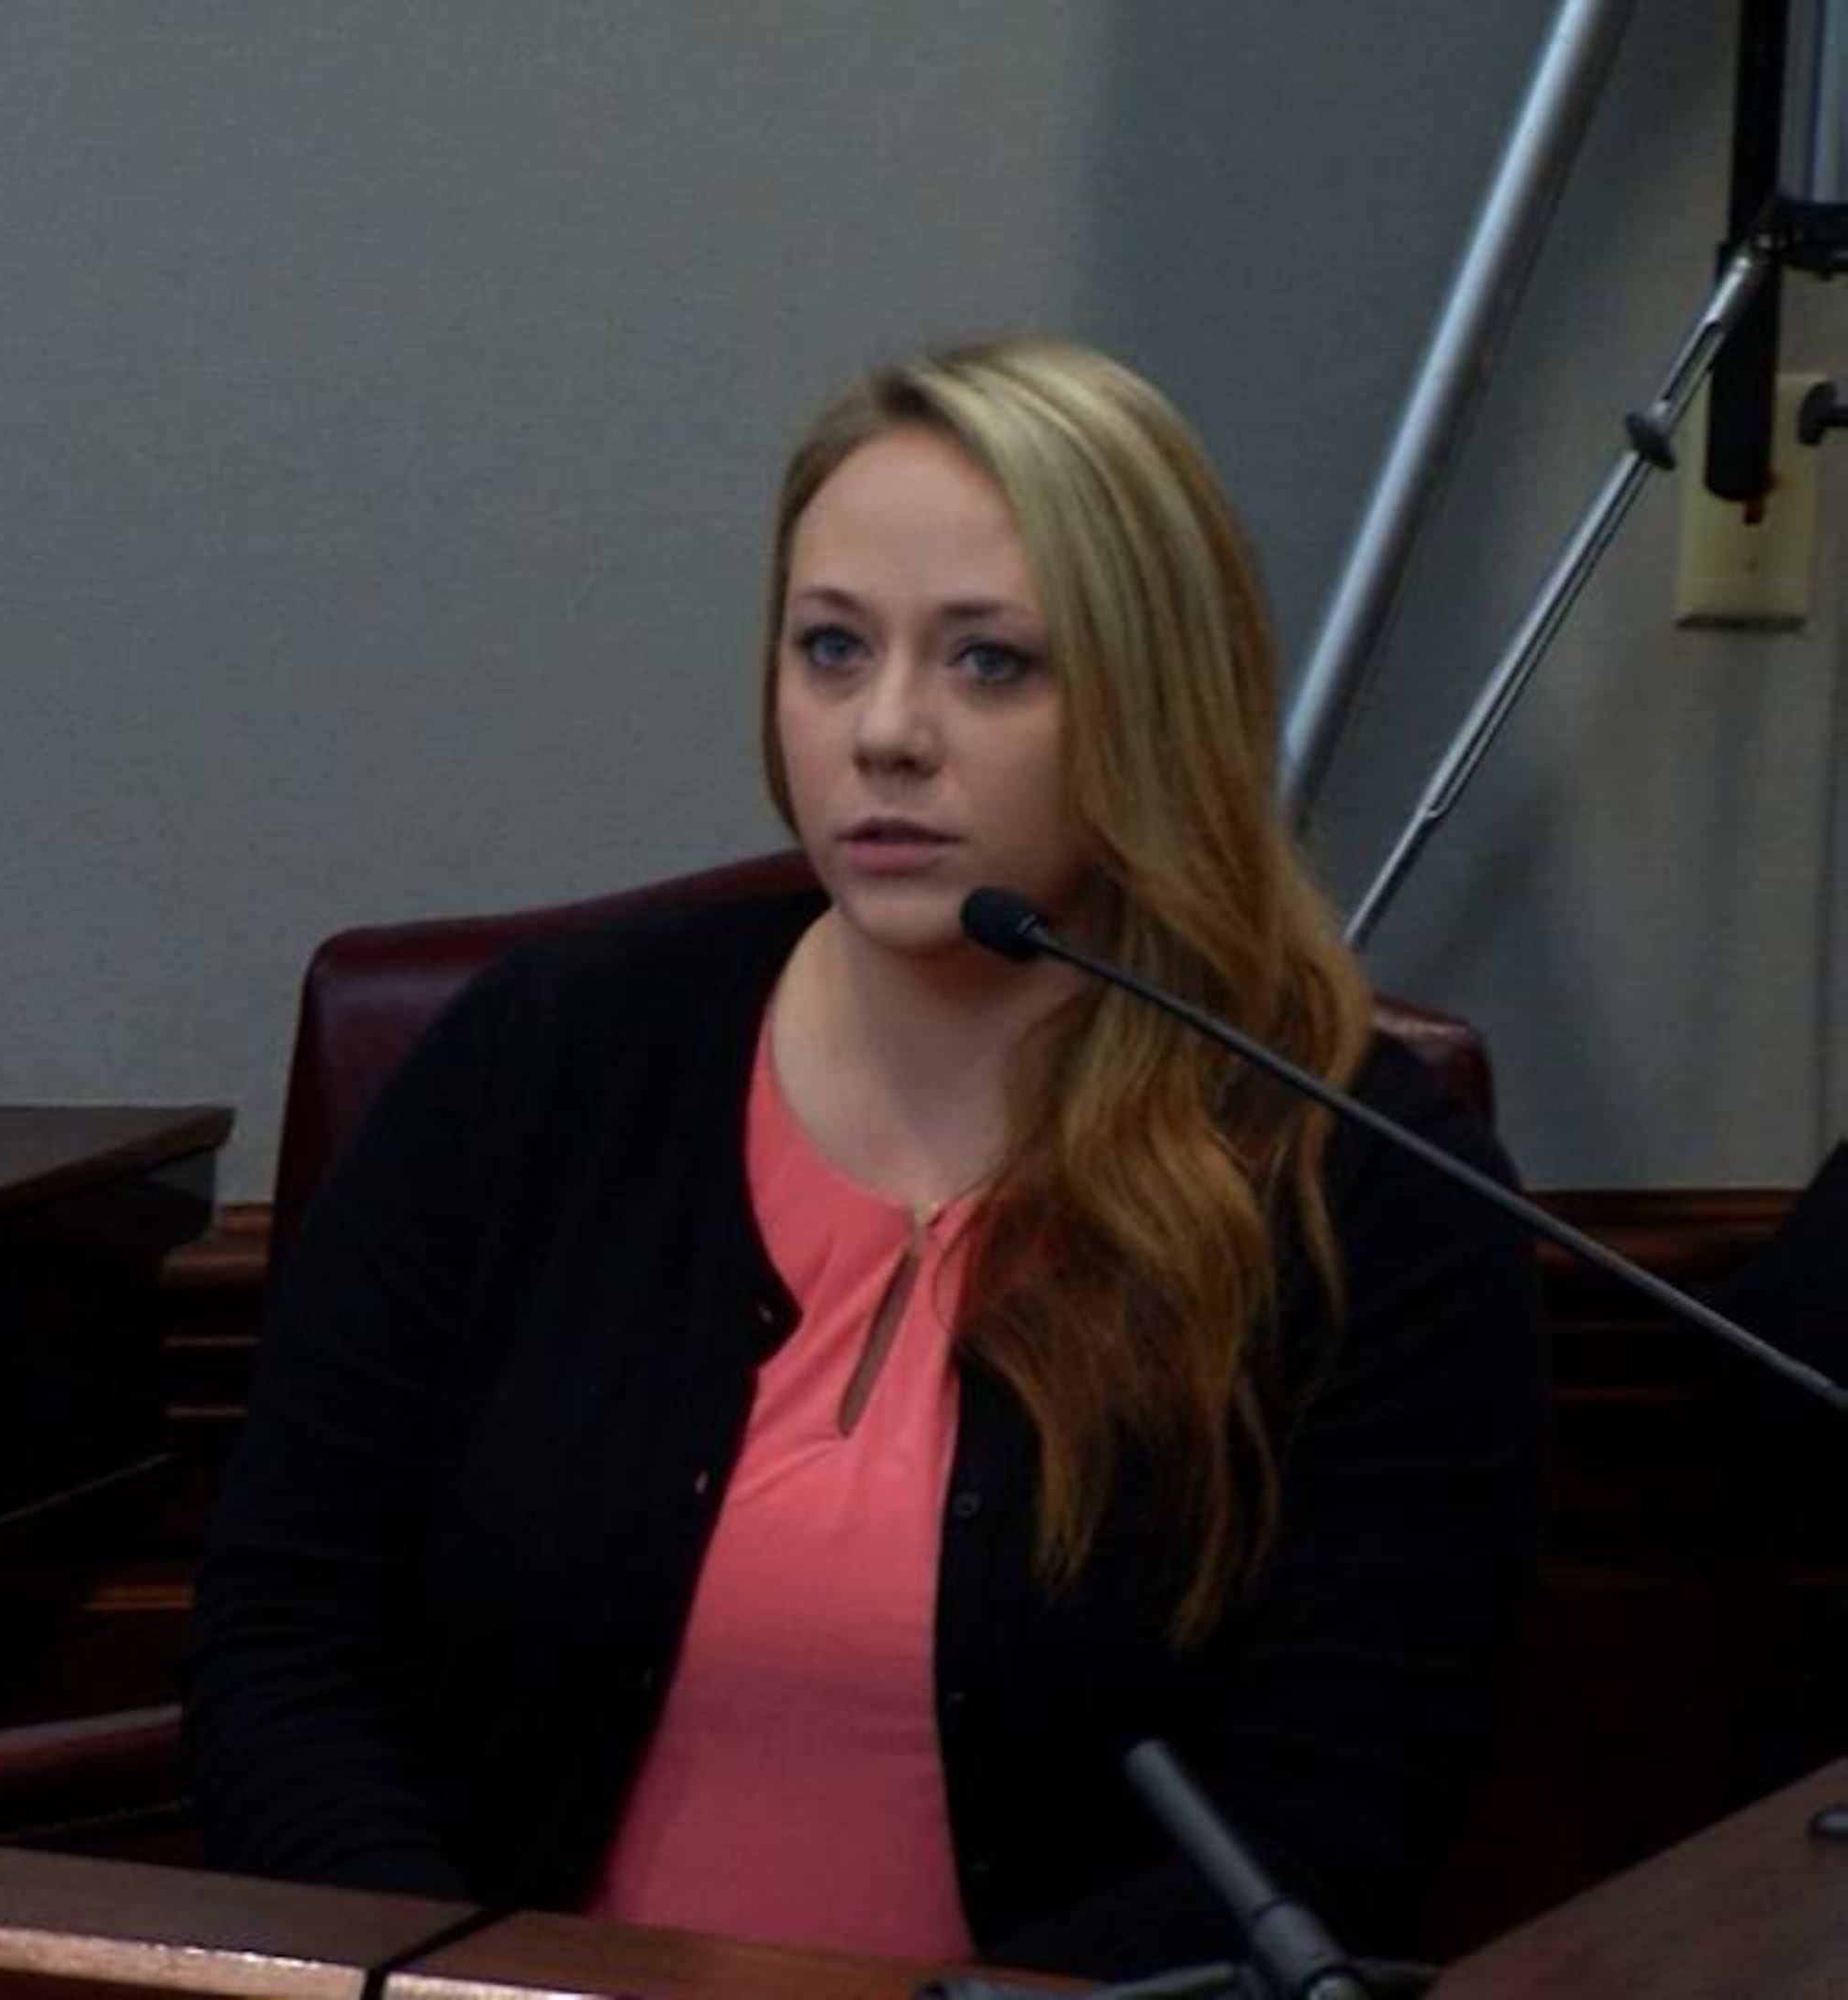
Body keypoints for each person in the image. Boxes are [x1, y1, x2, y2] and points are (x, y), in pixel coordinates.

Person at [182, 337, 1544, 1980]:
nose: (887, 733)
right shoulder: (541, 1060)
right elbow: (286, 1643)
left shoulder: (1365, 1193)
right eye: (833, 648)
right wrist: (440, 1985)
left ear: (1158, 700)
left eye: (991, 664)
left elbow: (1329, 1830)